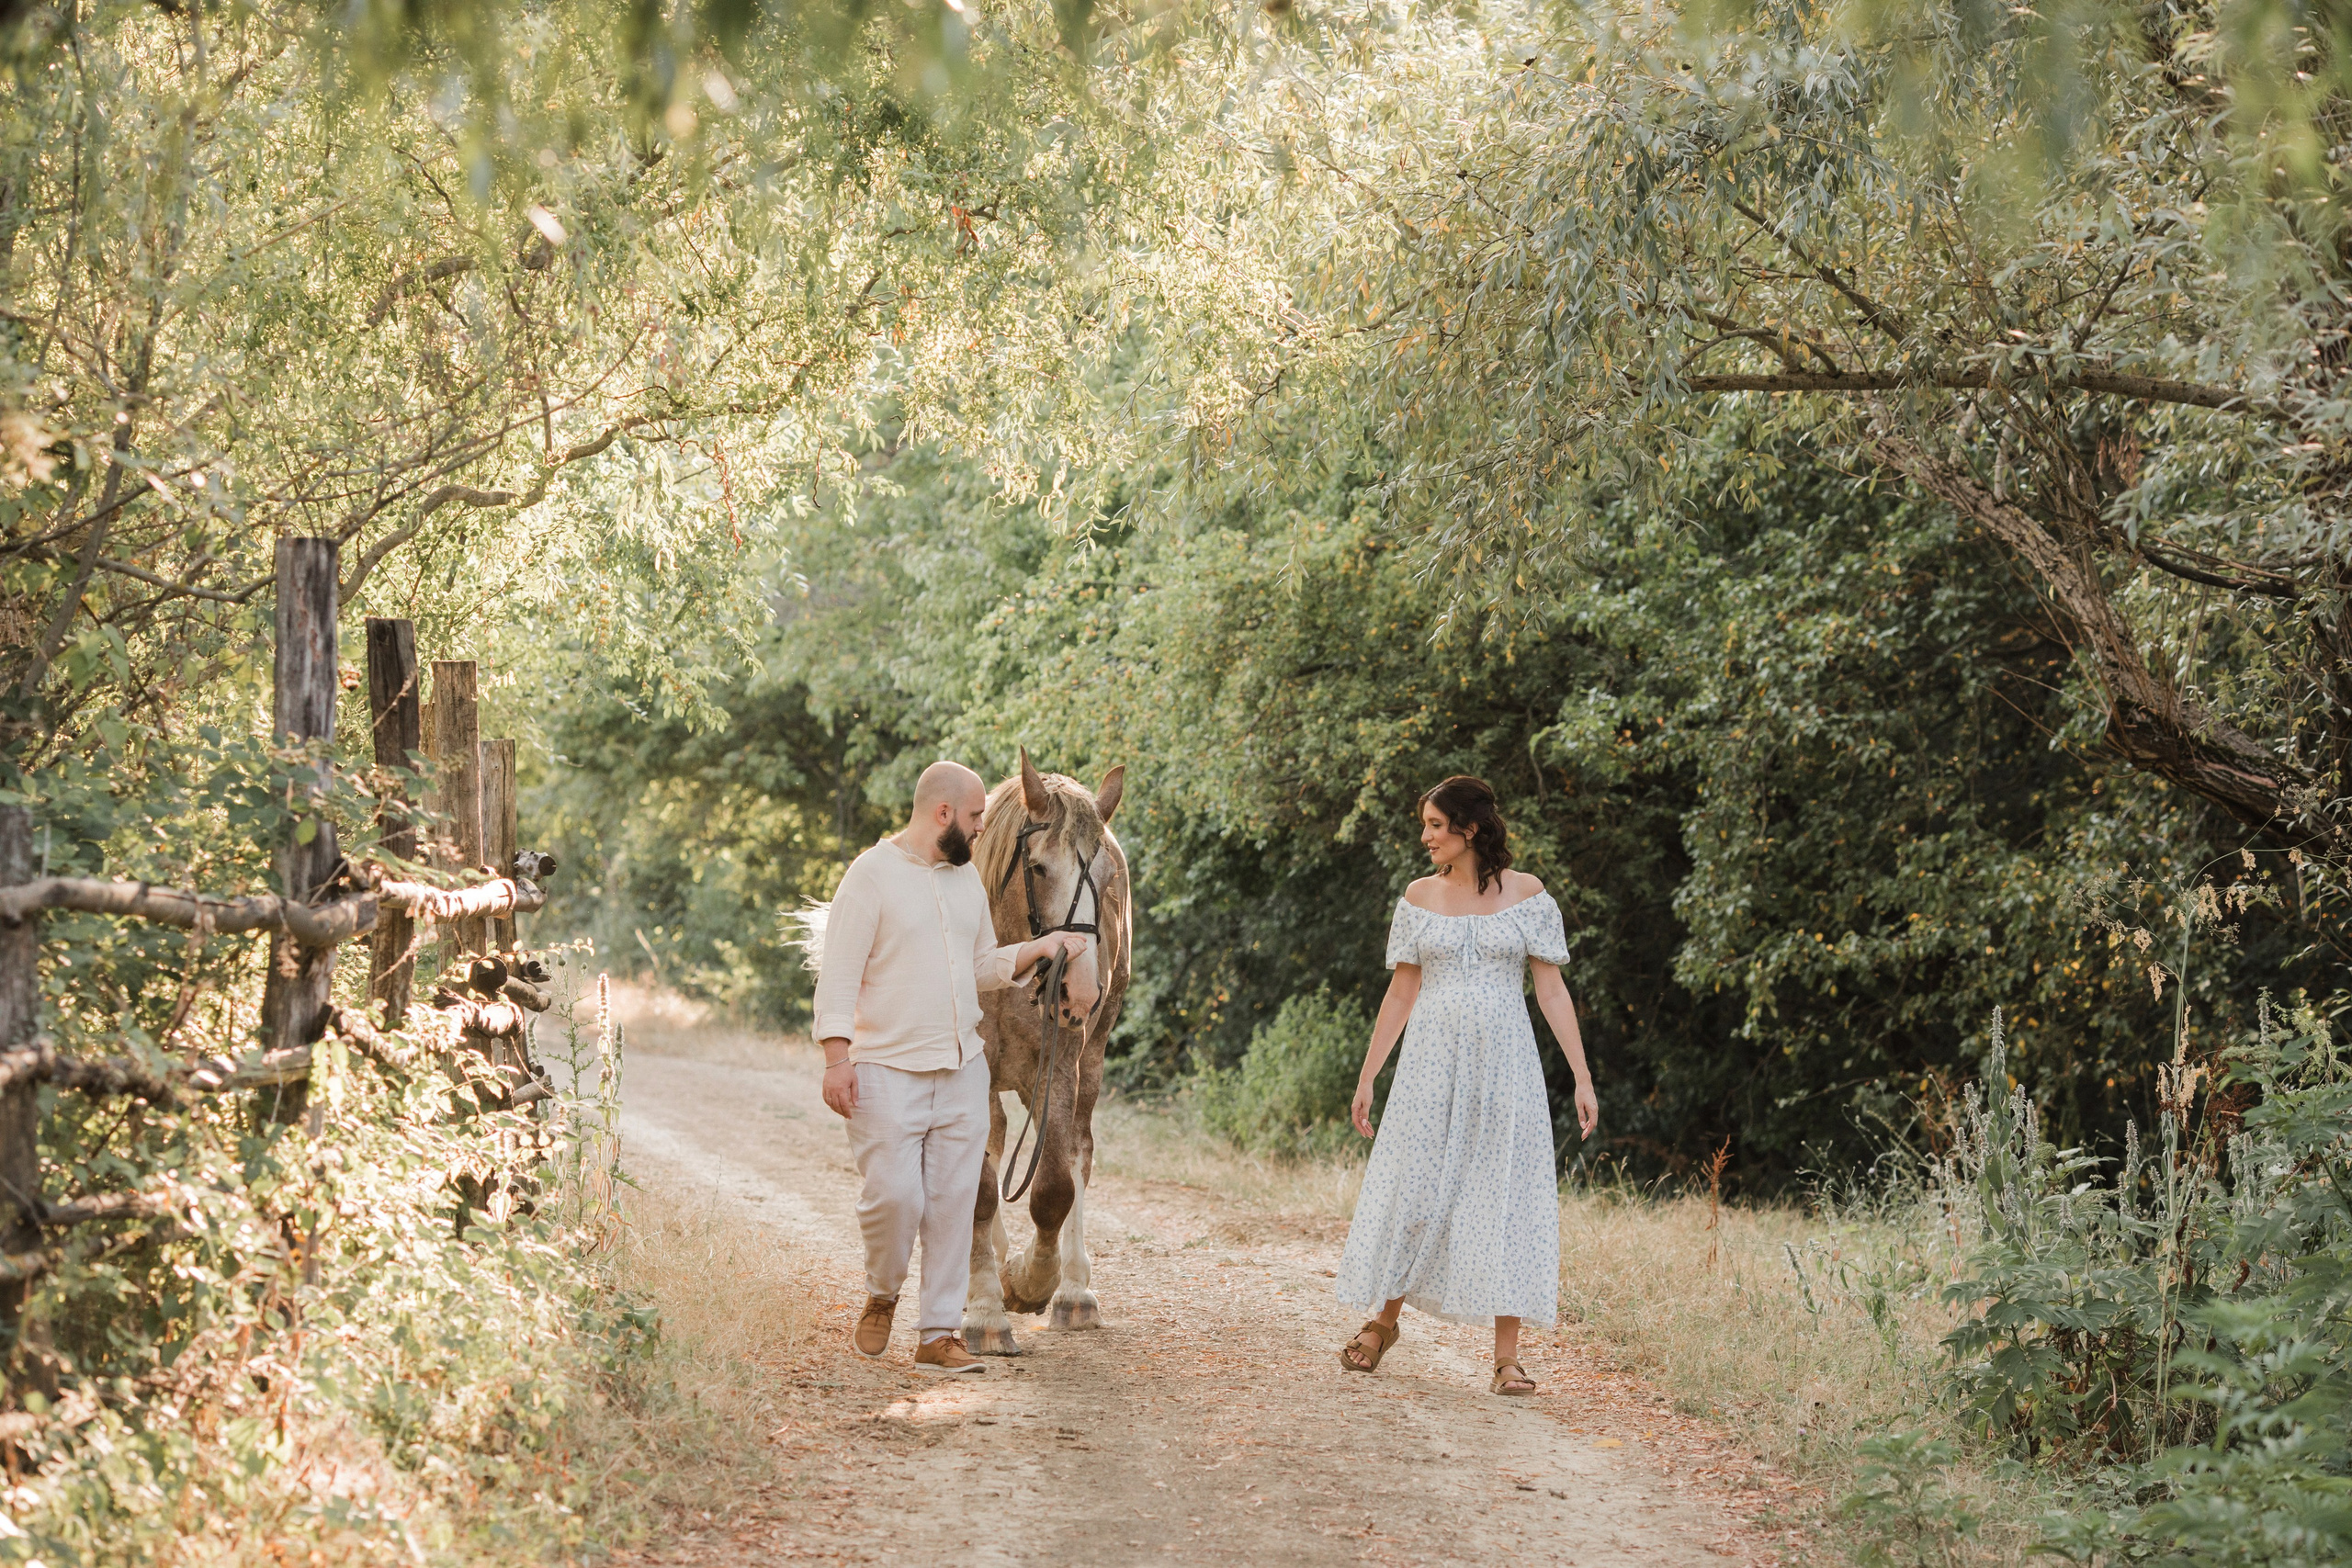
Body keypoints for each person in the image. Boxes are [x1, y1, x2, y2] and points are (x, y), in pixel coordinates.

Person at [813, 761, 1087, 1374]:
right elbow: (838, 973)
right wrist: (836, 1056)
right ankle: (882, 1290)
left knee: (952, 1204)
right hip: (886, 1069)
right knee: (894, 1197)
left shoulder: (965, 883)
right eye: (974, 817)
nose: (982, 827)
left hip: (960, 1068)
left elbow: (983, 965)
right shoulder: (870, 876)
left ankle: (938, 1332)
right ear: (943, 815)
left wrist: (1039, 949)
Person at [1332, 774, 1600, 1396]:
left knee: (1504, 1196)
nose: (1424, 836)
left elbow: (1551, 988)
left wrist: (1583, 1075)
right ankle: (1381, 1322)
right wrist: (1370, 1073)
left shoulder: (1529, 895)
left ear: (1469, 828)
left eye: (1434, 824)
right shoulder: (1420, 896)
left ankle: (1507, 1358)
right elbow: (1402, 990)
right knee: (1418, 1193)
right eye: (1424, 825)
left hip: (1507, 1066)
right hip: (1429, 1066)